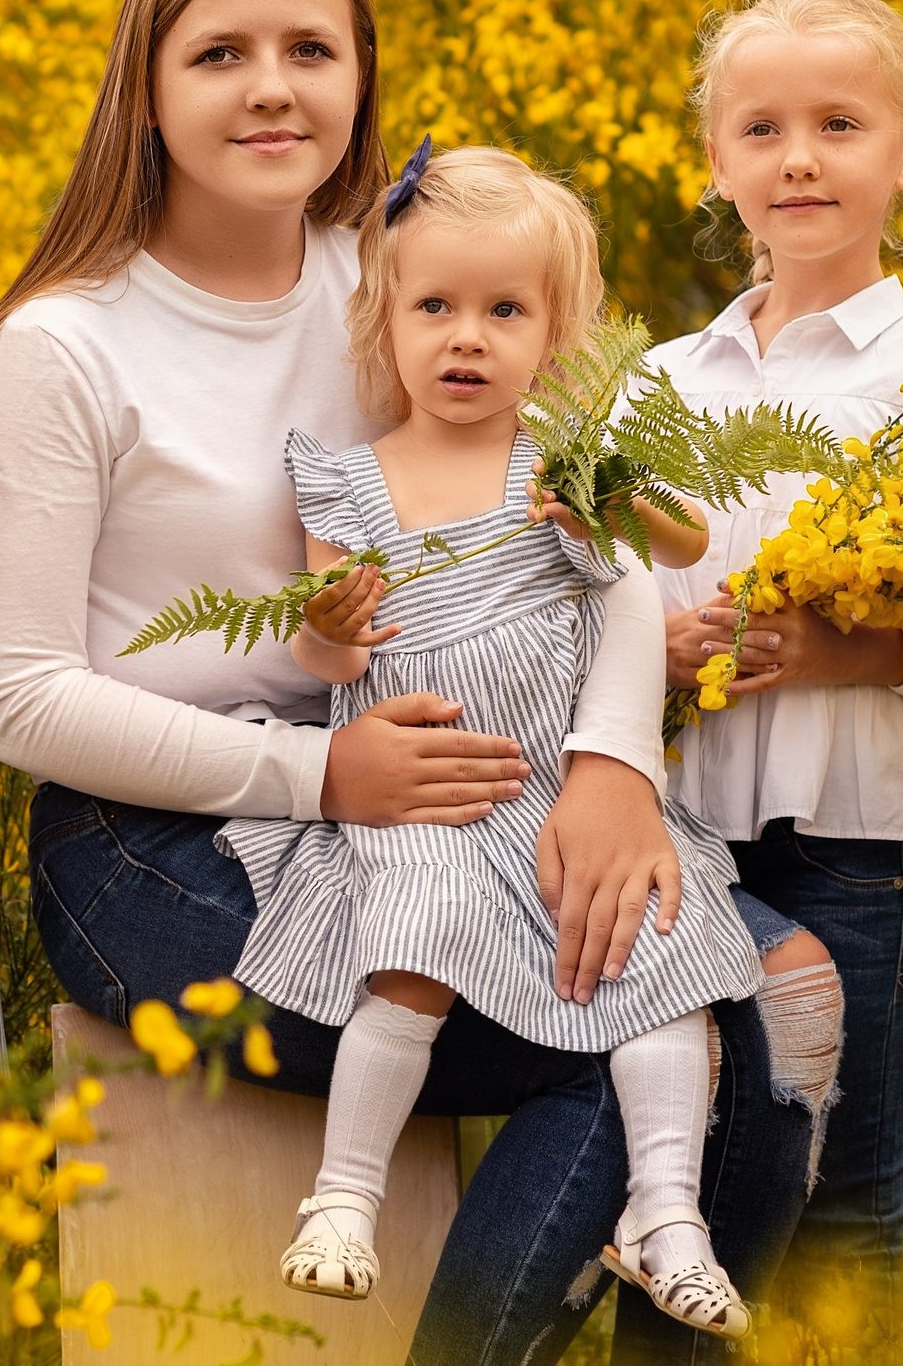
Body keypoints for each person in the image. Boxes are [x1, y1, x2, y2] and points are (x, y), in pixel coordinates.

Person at [0, 0, 813, 1365]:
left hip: (438, 795)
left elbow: (583, 521)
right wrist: (322, 781)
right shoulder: (66, 344)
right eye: (220, 51)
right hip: (157, 839)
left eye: (311, 46)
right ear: (145, 91)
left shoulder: (406, 280)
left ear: (361, 82)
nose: (272, 84)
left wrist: (609, 764)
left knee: (777, 997)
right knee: (618, 1041)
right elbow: (18, 700)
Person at [220, 144, 762, 1337]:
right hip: (420, 800)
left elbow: (680, 543)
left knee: (659, 964)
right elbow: (333, 668)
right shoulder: (350, 482)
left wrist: (606, 494)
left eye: (504, 311)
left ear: (556, 338)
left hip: (551, 797)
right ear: (384, 321)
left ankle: (665, 1216)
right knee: (412, 946)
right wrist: (326, 628)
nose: (466, 338)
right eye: (435, 308)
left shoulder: (561, 469)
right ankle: (342, 1199)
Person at [652, 0, 903, 1268]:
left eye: (839, 125)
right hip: (693, 825)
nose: (798, 159)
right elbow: (601, 599)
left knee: (846, 1196)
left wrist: (842, 648)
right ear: (716, 162)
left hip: (872, 826)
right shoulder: (661, 383)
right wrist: (660, 649)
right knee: (690, 1184)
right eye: (760, 129)